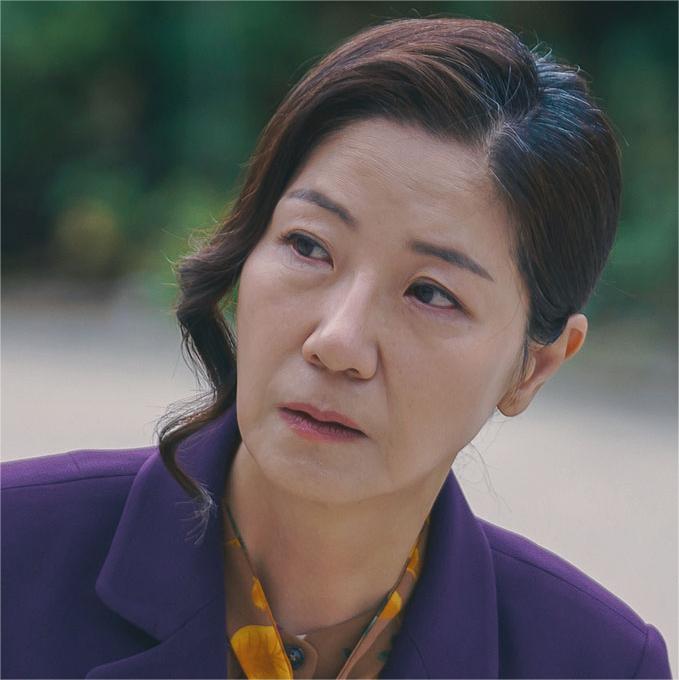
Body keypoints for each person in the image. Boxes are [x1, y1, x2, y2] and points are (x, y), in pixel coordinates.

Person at [1, 16, 673, 680]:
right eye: (308, 245)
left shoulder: (602, 665)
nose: (337, 342)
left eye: (431, 293)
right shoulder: (15, 554)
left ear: (535, 366)